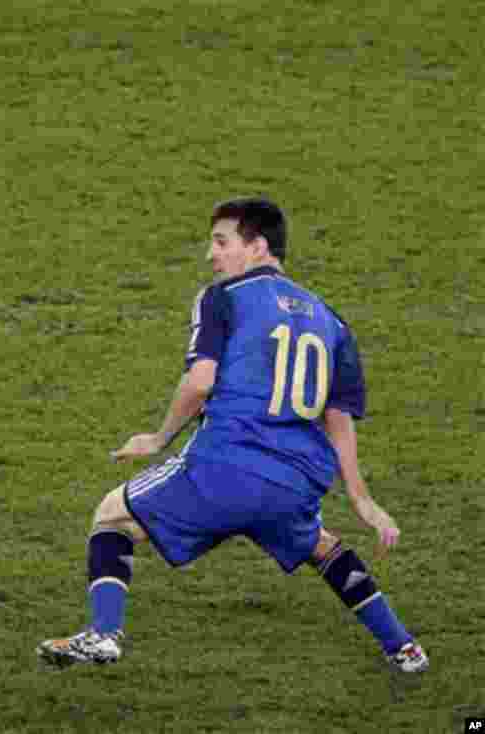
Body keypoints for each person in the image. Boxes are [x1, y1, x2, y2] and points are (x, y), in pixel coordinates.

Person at [37, 197, 428, 674]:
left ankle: (102, 633)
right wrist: (363, 500)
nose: (211, 255)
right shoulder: (333, 322)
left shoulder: (223, 297)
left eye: (221, 242)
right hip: (294, 484)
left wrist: (159, 438)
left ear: (258, 246)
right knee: (323, 546)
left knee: (112, 518)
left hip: (224, 469)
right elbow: (339, 418)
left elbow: (201, 382)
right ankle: (404, 648)